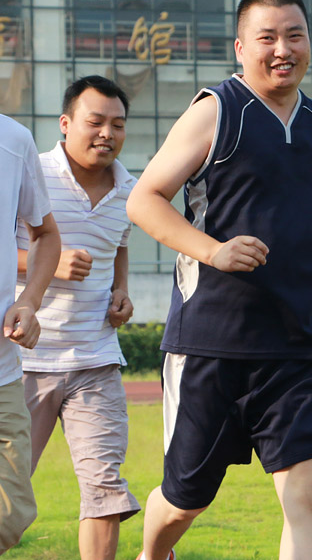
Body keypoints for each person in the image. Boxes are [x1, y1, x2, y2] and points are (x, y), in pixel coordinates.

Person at [126, 0, 312, 560]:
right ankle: (153, 553)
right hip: (211, 342)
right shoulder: (217, 111)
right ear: (241, 47)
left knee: (305, 494)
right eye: (268, 38)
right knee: (186, 498)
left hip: (298, 343)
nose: (283, 49)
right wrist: (214, 252)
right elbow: (145, 199)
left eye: (295, 36)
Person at [15, 76, 139, 560]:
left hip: (96, 359)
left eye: (117, 124)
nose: (106, 133)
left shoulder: (132, 189)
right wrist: (49, 261)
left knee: (106, 487)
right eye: (95, 122)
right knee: (8, 486)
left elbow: (119, 247)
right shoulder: (31, 172)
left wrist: (122, 291)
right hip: (24, 360)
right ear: (66, 124)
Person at [1, 113, 61, 554]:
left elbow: (44, 234)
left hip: (2, 373)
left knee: (10, 514)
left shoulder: (13, 139)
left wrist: (29, 301)